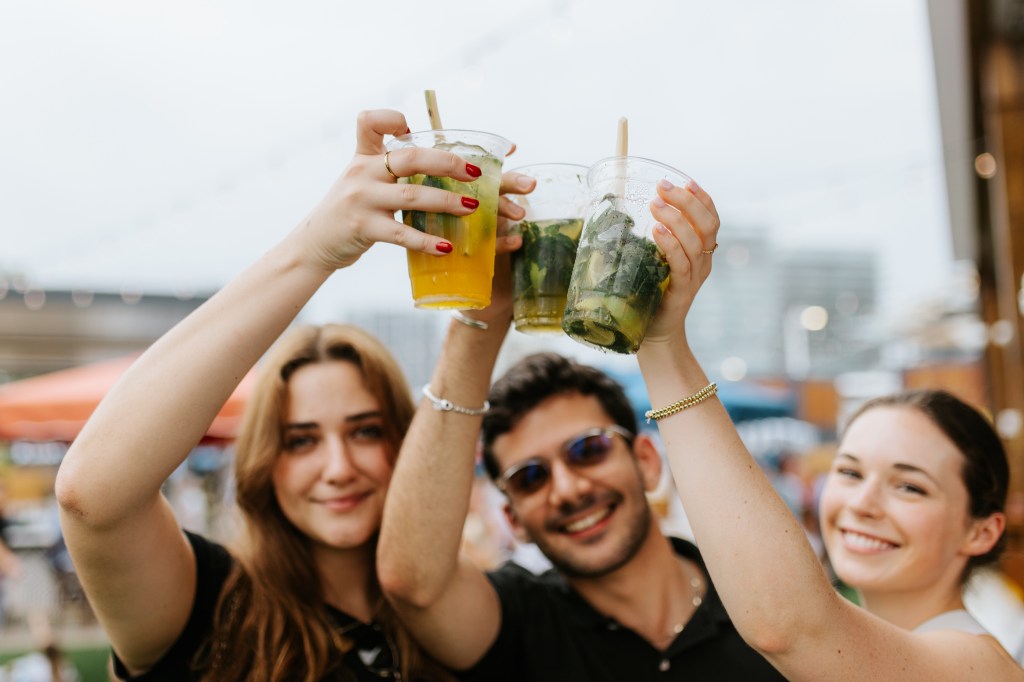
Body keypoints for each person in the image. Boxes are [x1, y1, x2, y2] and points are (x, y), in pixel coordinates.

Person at [53, 109, 529, 681]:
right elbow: (93, 496)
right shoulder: (209, 608)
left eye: (366, 430)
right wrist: (314, 250)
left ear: (406, 439)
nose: (338, 468)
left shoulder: (459, 612)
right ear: (263, 463)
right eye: (301, 440)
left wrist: (484, 312)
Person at [377, 178, 786, 679]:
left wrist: (662, 339)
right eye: (531, 477)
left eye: (588, 450)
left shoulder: (758, 602)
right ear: (513, 519)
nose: (567, 488)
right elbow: (412, 583)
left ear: (646, 460)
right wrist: (479, 321)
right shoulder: (521, 623)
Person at [603, 205, 1023, 673]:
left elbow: (786, 626)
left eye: (909, 486)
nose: (862, 503)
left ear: (981, 531)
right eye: (849, 472)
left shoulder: (978, 663)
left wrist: (663, 345)